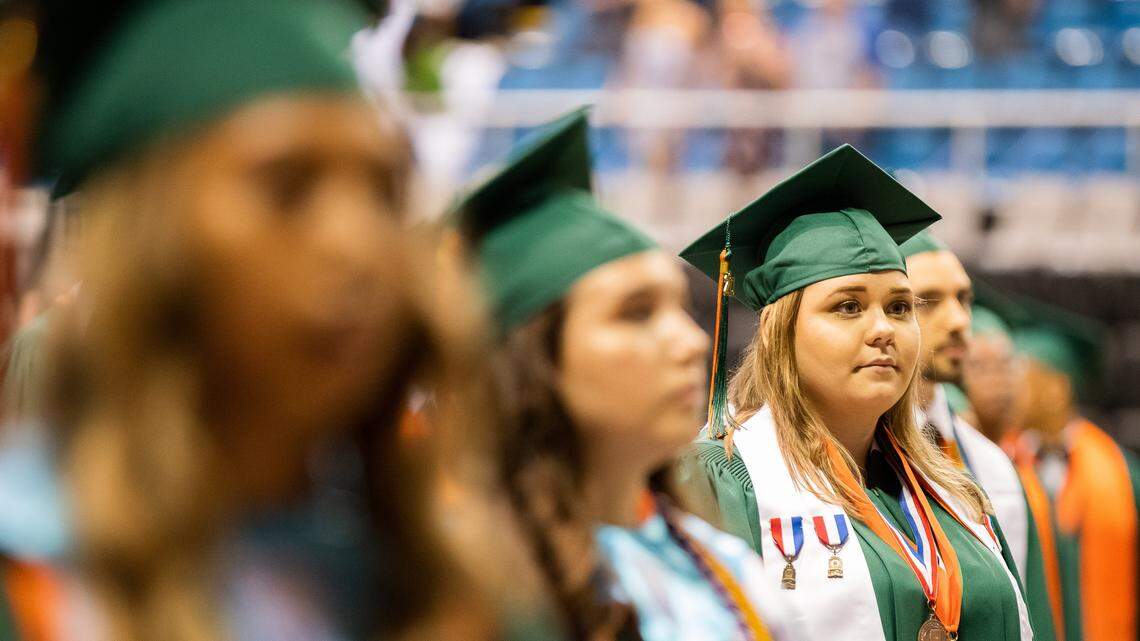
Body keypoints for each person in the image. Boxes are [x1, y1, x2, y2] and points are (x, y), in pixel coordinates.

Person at [31, 1, 494, 640]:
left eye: (386, 189)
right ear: (147, 238)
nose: (359, 245)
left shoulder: (448, 600)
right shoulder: (35, 585)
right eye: (286, 187)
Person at [454, 107, 790, 641]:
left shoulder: (727, 568)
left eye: (680, 308)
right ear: (532, 361)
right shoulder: (462, 593)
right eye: (635, 312)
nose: (691, 340)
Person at [678, 144, 1033, 641]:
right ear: (783, 335)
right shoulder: (727, 483)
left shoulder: (953, 489)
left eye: (901, 307)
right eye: (847, 307)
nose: (883, 329)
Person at [899, 232, 1057, 641]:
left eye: (964, 299)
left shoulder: (993, 466)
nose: (959, 322)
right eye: (929, 301)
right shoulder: (855, 454)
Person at [1000, 295, 1140, 641]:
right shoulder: (999, 467)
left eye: (1023, 377)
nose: (1009, 390)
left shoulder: (1125, 474)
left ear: (1057, 390)